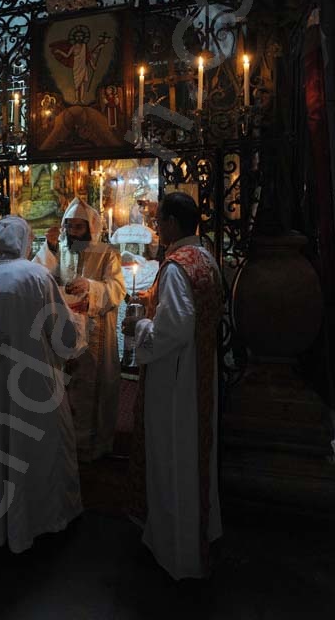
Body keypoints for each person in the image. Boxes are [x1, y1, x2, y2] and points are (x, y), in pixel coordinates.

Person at [0, 215, 86, 550]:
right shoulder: (36, 275)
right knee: (38, 448)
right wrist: (78, 334)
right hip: (33, 382)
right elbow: (61, 332)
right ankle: (42, 518)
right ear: (24, 241)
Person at [124, 192, 223, 581]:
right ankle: (201, 532)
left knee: (173, 456)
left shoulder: (177, 266)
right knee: (196, 455)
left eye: (159, 220)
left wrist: (140, 325)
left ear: (171, 224)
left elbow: (175, 327)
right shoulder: (206, 257)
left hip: (176, 380)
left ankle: (176, 548)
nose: (156, 227)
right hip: (199, 371)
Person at [33, 197, 126, 461]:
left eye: (78, 227)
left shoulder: (107, 253)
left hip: (97, 330)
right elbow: (40, 275)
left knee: (93, 386)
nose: (72, 233)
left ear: (90, 228)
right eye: (69, 226)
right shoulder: (59, 247)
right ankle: (66, 442)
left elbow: (118, 289)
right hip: (65, 330)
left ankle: (93, 446)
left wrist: (91, 288)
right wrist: (49, 247)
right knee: (67, 387)